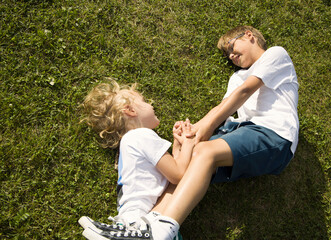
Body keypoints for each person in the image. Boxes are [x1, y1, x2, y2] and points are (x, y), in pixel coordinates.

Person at [84, 24, 299, 240]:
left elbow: (244, 93)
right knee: (185, 169)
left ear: (249, 35)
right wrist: (189, 135)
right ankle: (145, 226)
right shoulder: (236, 78)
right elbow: (223, 111)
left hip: (275, 135)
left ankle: (163, 229)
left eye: (232, 47)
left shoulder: (275, 54)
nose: (231, 55)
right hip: (242, 133)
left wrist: (204, 126)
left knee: (205, 151)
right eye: (228, 54)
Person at [78, 80, 194, 240]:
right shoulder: (141, 136)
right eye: (144, 101)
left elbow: (172, 172)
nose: (151, 105)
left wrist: (177, 146)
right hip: (144, 224)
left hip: (135, 219)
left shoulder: (128, 143)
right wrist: (189, 142)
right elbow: (178, 175)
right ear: (131, 110)